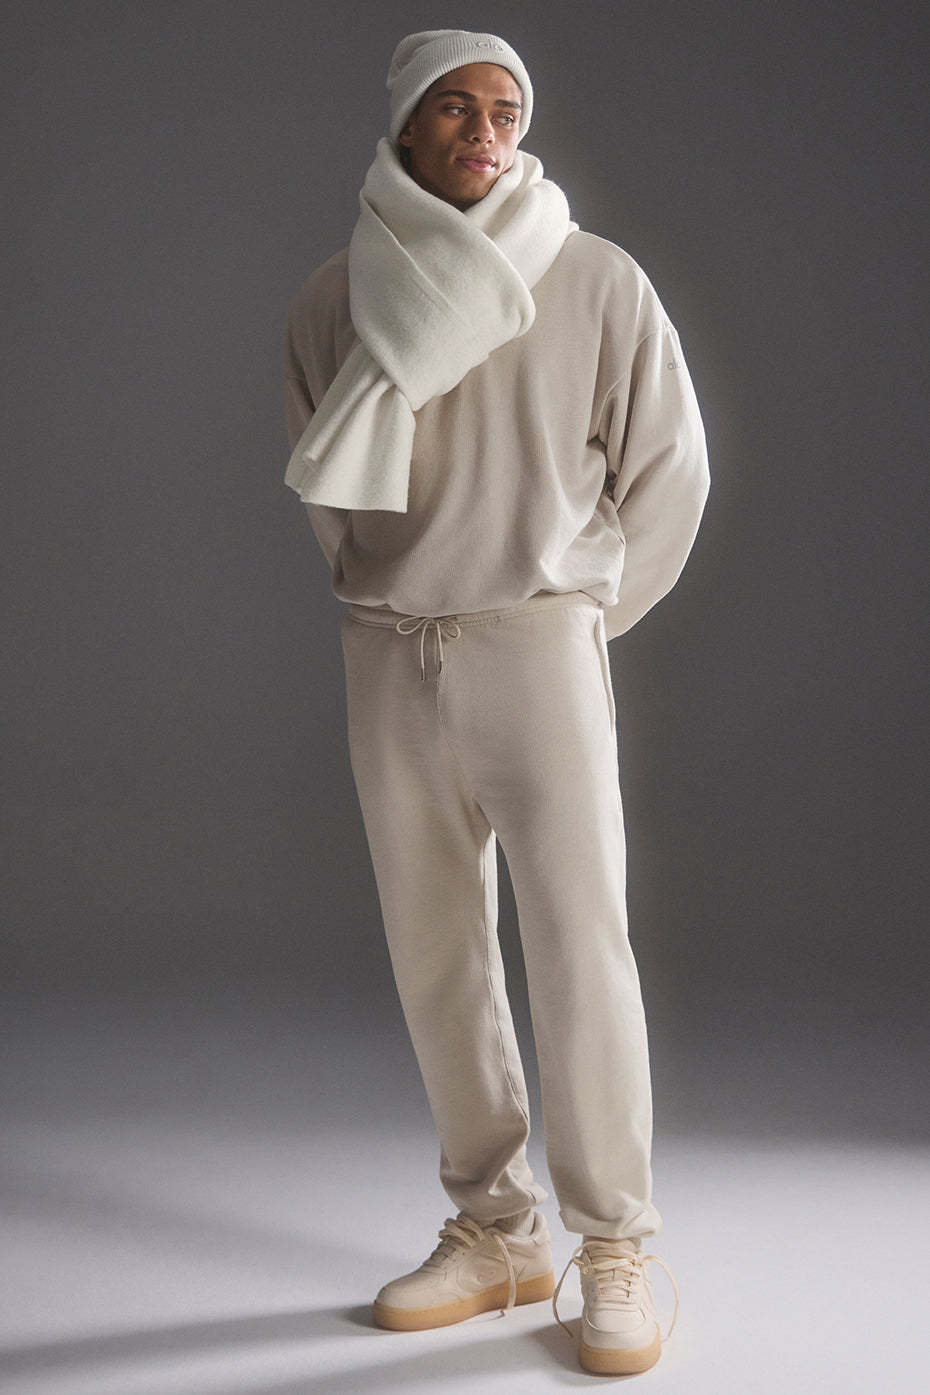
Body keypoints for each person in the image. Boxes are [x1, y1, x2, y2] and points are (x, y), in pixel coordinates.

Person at [282, 28, 708, 1378]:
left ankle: (613, 1245)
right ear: (406, 125)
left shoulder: (594, 279)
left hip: (535, 644)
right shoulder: (337, 295)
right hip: (389, 653)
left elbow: (671, 476)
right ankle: (495, 1230)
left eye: (505, 111)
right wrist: (387, 597)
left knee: (581, 947)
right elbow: (328, 489)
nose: (483, 132)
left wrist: (573, 617)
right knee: (435, 952)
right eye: (455, 108)